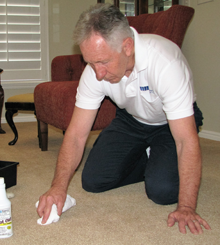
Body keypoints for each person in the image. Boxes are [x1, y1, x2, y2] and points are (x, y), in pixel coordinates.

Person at [37, 3, 211, 235]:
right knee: (93, 181)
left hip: (170, 124)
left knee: (162, 191)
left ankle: (157, 160)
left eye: (103, 62)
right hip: (131, 119)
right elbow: (77, 134)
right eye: (90, 62)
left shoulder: (165, 63)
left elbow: (185, 141)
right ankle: (150, 156)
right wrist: (57, 188)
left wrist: (187, 207)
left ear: (127, 47)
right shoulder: (94, 73)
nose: (97, 73)